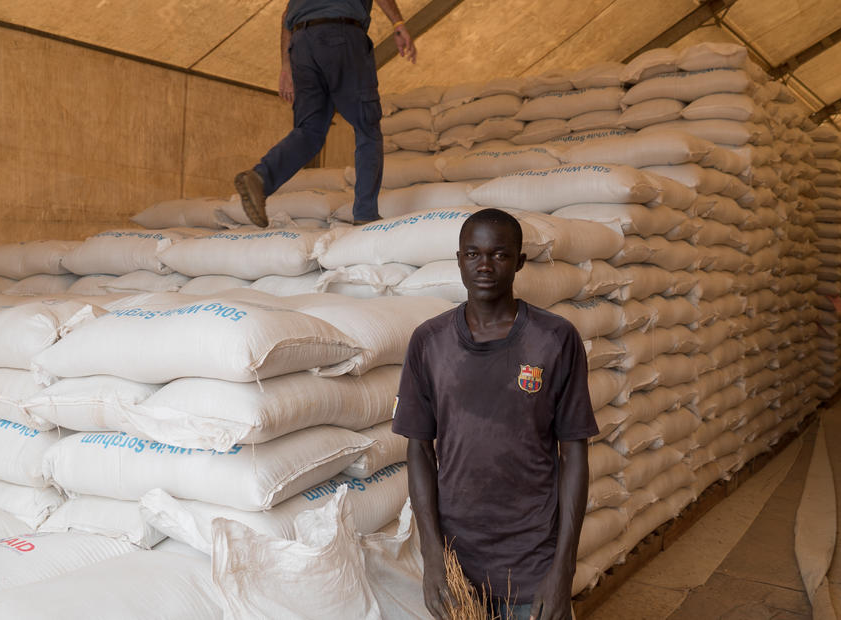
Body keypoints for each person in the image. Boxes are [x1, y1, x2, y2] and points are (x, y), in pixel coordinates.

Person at [393, 209, 597, 620]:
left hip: (532, 563)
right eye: (473, 254)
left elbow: (574, 455)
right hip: (458, 565)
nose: (484, 265)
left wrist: (563, 569)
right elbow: (418, 449)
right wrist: (433, 557)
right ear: (459, 260)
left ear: (519, 261)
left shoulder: (555, 339)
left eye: (499, 255)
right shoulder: (429, 342)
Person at [234, 0, 417, 228]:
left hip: (301, 43)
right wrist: (398, 23)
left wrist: (286, 65)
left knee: (309, 131)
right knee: (367, 128)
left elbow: (285, 16)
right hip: (341, 35)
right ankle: (365, 213)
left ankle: (261, 178)